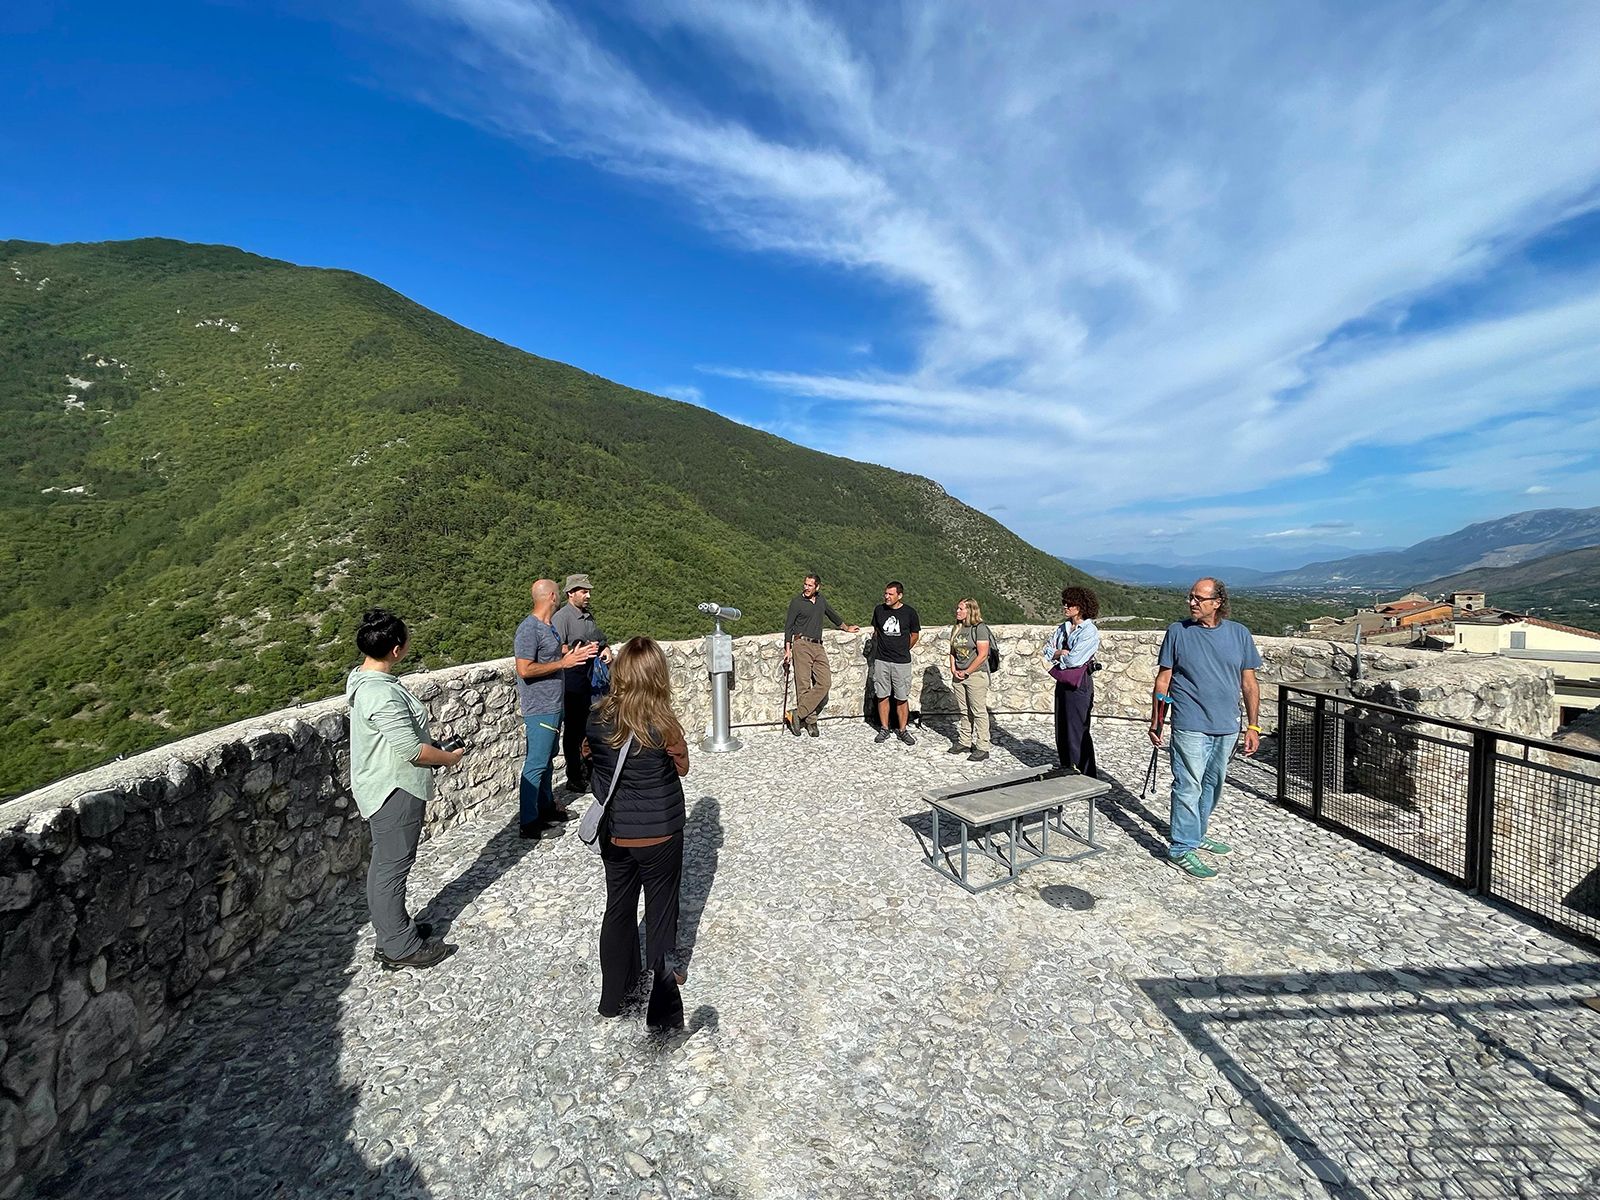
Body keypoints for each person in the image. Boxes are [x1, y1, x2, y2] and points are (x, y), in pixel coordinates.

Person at [345, 608, 462, 970]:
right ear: (396, 650)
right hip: (394, 788)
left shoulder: (361, 680)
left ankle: (392, 932)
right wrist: (448, 758)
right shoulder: (381, 694)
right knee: (393, 867)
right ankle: (399, 947)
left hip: (380, 783)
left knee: (385, 863)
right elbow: (412, 751)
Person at [587, 637, 691, 1028]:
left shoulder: (596, 719)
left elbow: (590, 761)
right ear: (656, 675)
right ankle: (661, 1010)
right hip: (660, 833)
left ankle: (613, 999)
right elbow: (682, 768)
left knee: (618, 909)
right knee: (661, 914)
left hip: (615, 833)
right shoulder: (663, 723)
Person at [1148, 578, 1262, 880]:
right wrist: (1157, 720)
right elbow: (1164, 680)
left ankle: (1196, 834)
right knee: (1188, 785)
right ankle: (1181, 848)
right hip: (1190, 723)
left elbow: (1249, 683)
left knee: (1212, 785)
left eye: (1199, 598)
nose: (1192, 603)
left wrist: (1253, 726)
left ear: (1218, 602)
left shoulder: (1239, 634)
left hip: (1227, 726)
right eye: (1190, 597)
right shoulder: (1177, 632)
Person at [515, 579, 598, 839]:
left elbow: (554, 654)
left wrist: (573, 653)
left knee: (547, 761)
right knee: (536, 764)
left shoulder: (548, 626)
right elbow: (524, 669)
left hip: (553, 704)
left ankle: (547, 808)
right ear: (552, 596)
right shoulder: (529, 629)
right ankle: (529, 823)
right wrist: (564, 663)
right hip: (539, 707)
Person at [552, 573, 611, 794]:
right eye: (584, 591)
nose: (588, 596)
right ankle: (574, 777)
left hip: (590, 682)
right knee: (573, 732)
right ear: (571, 593)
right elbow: (555, 649)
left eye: (588, 592)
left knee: (591, 727)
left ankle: (591, 772)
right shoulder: (562, 618)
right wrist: (579, 650)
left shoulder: (587, 616)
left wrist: (605, 649)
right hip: (572, 683)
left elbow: (599, 639)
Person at [782, 571, 860, 737]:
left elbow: (833, 615)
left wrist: (846, 628)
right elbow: (788, 626)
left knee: (825, 682)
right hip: (801, 644)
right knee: (803, 685)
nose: (806, 587)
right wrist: (787, 650)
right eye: (805, 584)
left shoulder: (821, 600)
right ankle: (811, 722)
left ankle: (797, 714)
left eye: (810, 585)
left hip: (818, 645)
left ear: (817, 587)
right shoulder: (796, 602)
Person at [1043, 585, 1101, 777]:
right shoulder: (1063, 628)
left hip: (1079, 683)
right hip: (1063, 681)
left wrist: (1058, 656)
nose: (1065, 606)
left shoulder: (1089, 631)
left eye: (1070, 604)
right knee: (1062, 727)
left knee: (1077, 729)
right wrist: (1061, 653)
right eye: (1064, 603)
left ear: (1081, 606)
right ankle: (1066, 767)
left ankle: (1085, 774)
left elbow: (1075, 659)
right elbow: (1047, 650)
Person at [871, 581, 921, 745]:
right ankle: (884, 728)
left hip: (901, 662)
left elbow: (915, 635)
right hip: (882, 660)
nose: (887, 597)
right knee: (882, 695)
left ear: (899, 596)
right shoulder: (879, 610)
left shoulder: (909, 613)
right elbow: (876, 631)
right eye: (886, 593)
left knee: (901, 697)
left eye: (890, 594)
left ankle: (903, 730)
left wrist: (903, 649)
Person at [947, 598, 994, 762]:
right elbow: (952, 651)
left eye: (961, 609)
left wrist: (967, 671)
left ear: (970, 610)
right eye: (957, 608)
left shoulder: (979, 628)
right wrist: (953, 669)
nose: (957, 611)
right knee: (964, 710)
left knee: (978, 711)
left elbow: (983, 654)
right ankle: (964, 741)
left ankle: (983, 746)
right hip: (959, 675)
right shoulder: (957, 628)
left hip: (976, 675)